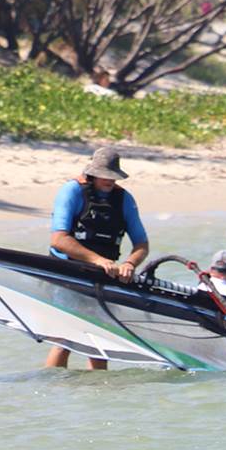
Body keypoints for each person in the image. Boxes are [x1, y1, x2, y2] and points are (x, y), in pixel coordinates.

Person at [45, 143, 150, 370]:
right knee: (66, 338)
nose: (109, 180)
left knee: (100, 339)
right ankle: (52, 384)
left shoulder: (124, 199)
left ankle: (99, 387)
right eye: (104, 175)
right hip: (67, 272)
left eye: (113, 176)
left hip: (102, 276)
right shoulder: (72, 191)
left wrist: (130, 263)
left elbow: (142, 244)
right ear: (92, 174)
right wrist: (98, 260)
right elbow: (59, 240)